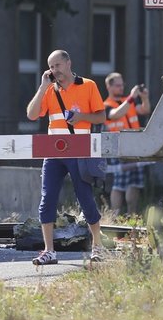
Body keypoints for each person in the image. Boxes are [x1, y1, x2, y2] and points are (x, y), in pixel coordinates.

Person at [26, 49, 107, 265]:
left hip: (79, 151)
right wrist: (43, 86)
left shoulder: (88, 85)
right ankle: (49, 250)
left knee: (85, 199)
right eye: (51, 67)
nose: (54, 71)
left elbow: (101, 116)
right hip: (54, 153)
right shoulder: (49, 90)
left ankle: (97, 247)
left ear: (68, 63)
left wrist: (81, 117)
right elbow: (32, 115)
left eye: (57, 66)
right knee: (47, 199)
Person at [103, 73, 152, 215]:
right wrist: (131, 97)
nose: (121, 87)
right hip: (118, 147)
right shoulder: (106, 105)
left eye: (122, 84)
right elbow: (115, 114)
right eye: (117, 85)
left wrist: (144, 97)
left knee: (134, 182)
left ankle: (132, 215)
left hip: (134, 146)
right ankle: (115, 215)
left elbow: (145, 110)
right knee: (119, 184)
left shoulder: (127, 102)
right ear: (109, 87)